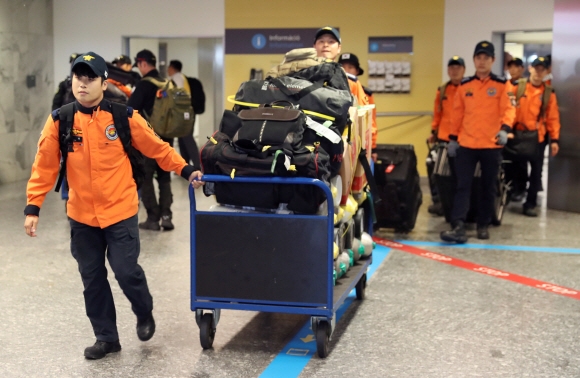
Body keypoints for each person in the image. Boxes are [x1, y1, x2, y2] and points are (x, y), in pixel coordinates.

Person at [23, 52, 204, 360]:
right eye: (78, 77)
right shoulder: (61, 120)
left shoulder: (123, 117)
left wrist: (185, 169)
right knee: (92, 278)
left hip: (120, 211)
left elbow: (157, 148)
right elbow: (44, 167)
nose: (82, 84)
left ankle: (143, 309)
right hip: (81, 216)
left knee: (125, 270)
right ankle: (106, 337)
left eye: (90, 78)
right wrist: (33, 207)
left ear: (104, 83)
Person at [440, 41, 515, 243]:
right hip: (466, 144)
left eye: (486, 58)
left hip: (491, 144)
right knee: (462, 185)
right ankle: (458, 224)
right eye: (478, 58)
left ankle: (483, 224)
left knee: (488, 186)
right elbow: (457, 114)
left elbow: (510, 109)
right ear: (474, 60)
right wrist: (453, 139)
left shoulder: (502, 84)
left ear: (493, 60)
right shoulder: (465, 85)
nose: (482, 62)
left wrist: (505, 129)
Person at [128, 49, 177, 231]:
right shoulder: (167, 83)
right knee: (164, 177)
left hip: (149, 140)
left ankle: (153, 217)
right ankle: (166, 216)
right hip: (167, 137)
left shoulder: (144, 85)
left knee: (146, 177)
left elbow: (130, 109)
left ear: (142, 64)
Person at [313, 27, 377, 152]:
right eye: (321, 41)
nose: (326, 44)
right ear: (314, 46)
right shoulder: (301, 75)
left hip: (341, 144)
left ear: (339, 48)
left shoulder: (351, 83)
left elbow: (361, 117)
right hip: (309, 144)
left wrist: (366, 149)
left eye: (331, 41)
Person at [510, 57, 560, 217]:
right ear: (530, 68)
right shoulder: (518, 87)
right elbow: (509, 110)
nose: (538, 72)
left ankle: (530, 203)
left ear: (546, 72)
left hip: (538, 138)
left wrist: (555, 140)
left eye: (542, 69)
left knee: (536, 172)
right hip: (517, 135)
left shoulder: (548, 93)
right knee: (516, 167)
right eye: (536, 68)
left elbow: (553, 117)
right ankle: (515, 192)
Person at [427, 56, 466, 215]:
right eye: (452, 68)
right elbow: (438, 113)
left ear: (463, 70)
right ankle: (439, 201)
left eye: (458, 68)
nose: (455, 71)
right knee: (437, 170)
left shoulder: (468, 88)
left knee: (459, 173)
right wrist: (433, 131)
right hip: (444, 137)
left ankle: (458, 203)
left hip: (463, 139)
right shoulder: (442, 90)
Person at [167, 59, 206, 168]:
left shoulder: (177, 78)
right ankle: (185, 165)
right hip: (188, 113)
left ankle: (199, 165)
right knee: (182, 138)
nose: (167, 70)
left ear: (172, 68)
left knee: (187, 137)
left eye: (168, 68)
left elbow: (178, 96)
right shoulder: (183, 78)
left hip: (183, 114)